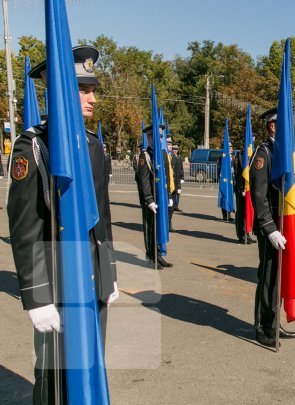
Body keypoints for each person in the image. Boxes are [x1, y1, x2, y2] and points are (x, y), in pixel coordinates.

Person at [8, 45, 118, 405]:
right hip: (56, 282)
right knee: (54, 376)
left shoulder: (91, 146)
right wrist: (37, 297)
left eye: (92, 89)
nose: (93, 98)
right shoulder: (34, 147)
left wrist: (109, 272)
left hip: (91, 280)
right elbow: (25, 227)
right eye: (84, 89)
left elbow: (102, 218)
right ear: (61, 92)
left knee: (88, 367)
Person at [249, 107, 295, 347]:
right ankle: (262, 328)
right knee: (267, 277)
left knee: (278, 278)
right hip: (270, 229)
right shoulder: (264, 153)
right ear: (273, 126)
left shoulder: (281, 153)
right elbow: (259, 196)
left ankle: (274, 322)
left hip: (282, 226)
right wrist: (269, 228)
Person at [136, 124, 173, 269]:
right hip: (151, 198)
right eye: (157, 137)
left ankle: (159, 254)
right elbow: (144, 180)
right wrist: (149, 199)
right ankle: (152, 256)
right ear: (149, 138)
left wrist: (169, 194)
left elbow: (166, 177)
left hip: (162, 197)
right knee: (150, 227)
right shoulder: (145, 156)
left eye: (161, 137)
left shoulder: (163, 154)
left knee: (160, 226)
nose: (160, 139)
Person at [233, 139, 256, 244]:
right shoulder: (239, 156)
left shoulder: (252, 155)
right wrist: (242, 188)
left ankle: (247, 233)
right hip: (241, 189)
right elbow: (238, 173)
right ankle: (241, 235)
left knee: (248, 212)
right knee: (241, 213)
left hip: (249, 189)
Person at [167, 138, 182, 231]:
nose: (171, 147)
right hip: (166, 186)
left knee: (171, 208)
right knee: (167, 208)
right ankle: (167, 225)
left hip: (173, 185)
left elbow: (177, 172)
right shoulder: (167, 156)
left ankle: (169, 225)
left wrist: (179, 185)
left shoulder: (176, 158)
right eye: (169, 145)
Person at [218, 142, 234, 222]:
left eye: (231, 147)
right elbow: (219, 169)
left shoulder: (233, 157)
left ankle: (229, 214)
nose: (231, 149)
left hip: (232, 181)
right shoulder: (222, 157)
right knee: (224, 197)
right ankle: (225, 215)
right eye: (229, 147)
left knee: (230, 197)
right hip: (225, 181)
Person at [171, 144, 184, 213]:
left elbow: (181, 168)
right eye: (174, 150)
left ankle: (176, 206)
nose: (175, 151)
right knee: (173, 192)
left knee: (178, 192)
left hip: (178, 178)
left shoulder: (179, 158)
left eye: (176, 150)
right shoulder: (171, 157)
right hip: (173, 178)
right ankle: (172, 206)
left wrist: (182, 177)